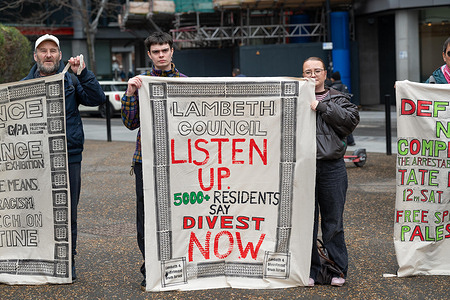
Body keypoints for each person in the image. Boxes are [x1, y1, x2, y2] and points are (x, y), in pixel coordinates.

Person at [23, 34, 106, 281]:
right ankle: (37, 259)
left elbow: (97, 99)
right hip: (35, 159)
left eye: (53, 51)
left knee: (66, 212)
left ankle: (66, 261)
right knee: (36, 210)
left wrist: (84, 74)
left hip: (69, 156)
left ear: (60, 56)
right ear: (35, 56)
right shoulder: (23, 86)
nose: (48, 55)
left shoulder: (71, 80)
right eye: (43, 51)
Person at [121, 31, 187, 291]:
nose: (161, 55)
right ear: (149, 55)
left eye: (164, 50)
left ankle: (177, 266)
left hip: (180, 161)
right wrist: (129, 93)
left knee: (179, 215)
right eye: (155, 52)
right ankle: (151, 268)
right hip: (145, 160)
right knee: (147, 218)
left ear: (172, 51)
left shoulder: (185, 83)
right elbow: (130, 123)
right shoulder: (141, 83)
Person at [302, 57, 359, 287]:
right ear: (302, 75)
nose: (313, 75)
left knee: (333, 222)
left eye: (317, 70)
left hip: (331, 167)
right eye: (308, 71)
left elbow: (349, 122)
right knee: (307, 223)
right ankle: (312, 270)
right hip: (302, 168)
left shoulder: (338, 98)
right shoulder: (294, 97)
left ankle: (337, 270)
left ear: (326, 74)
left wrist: (322, 106)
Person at [330, 71, 355, 146]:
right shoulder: (344, 86)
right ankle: (351, 141)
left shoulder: (333, 88)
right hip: (345, 109)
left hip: (336, 110)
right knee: (346, 125)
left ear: (333, 79)